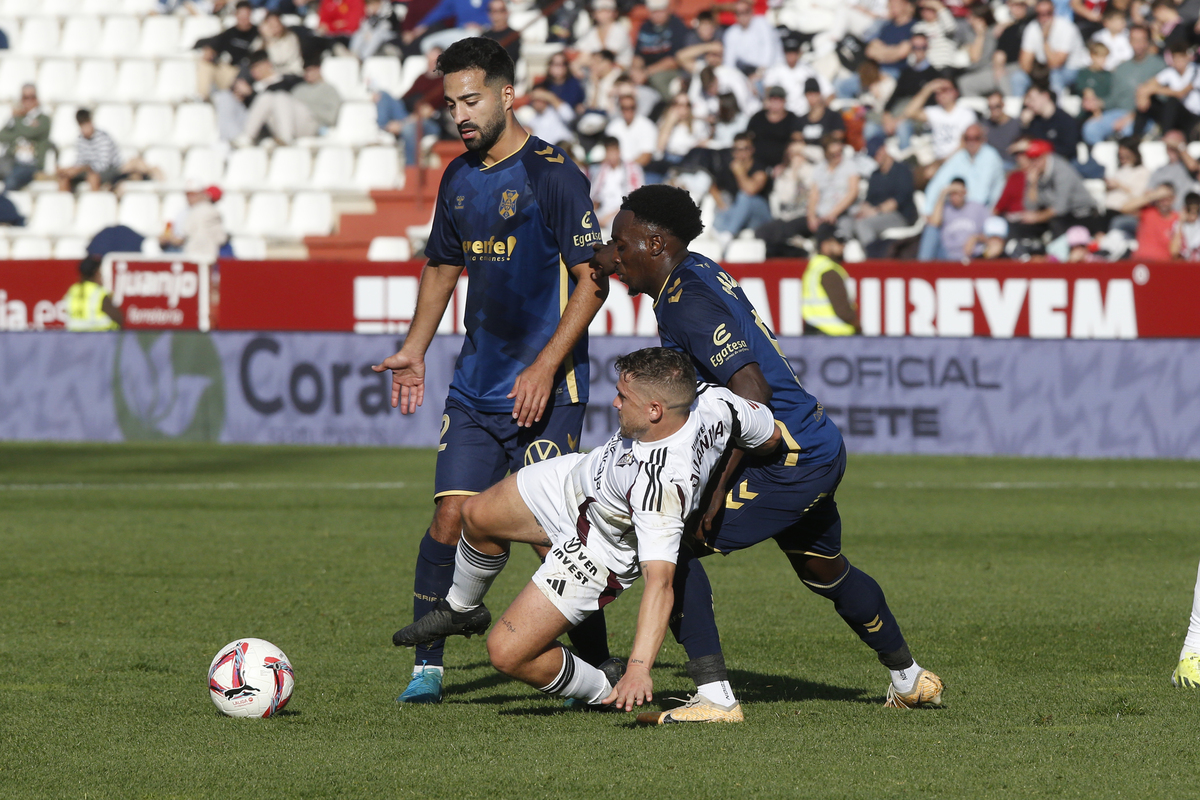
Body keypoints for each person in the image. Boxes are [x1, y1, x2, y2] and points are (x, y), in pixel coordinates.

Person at [591, 184, 945, 719]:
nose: (615, 256)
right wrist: (572, 245)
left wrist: (711, 493)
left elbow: (752, 391)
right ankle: (911, 679)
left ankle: (714, 698)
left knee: (673, 543)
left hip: (787, 455)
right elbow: (611, 255)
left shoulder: (688, 304)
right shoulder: (690, 271)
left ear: (656, 242)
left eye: (622, 245)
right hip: (814, 440)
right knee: (822, 566)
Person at [371, 37, 608, 705]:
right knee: (450, 519)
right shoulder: (457, 174)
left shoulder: (554, 174)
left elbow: (594, 282)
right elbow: (444, 266)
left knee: (550, 537)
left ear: (508, 94)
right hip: (476, 387)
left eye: (471, 99)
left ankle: (600, 665)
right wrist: (416, 347)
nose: (460, 115)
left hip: (548, 391)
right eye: (450, 104)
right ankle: (427, 668)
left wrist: (543, 366)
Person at [393, 348, 780, 716]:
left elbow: (661, 584)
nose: (614, 403)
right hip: (575, 479)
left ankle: (604, 689)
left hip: (597, 547)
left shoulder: (658, 485)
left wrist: (640, 667)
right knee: (474, 513)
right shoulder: (714, 399)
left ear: (655, 410)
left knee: (506, 654)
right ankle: (462, 610)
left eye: (622, 397)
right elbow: (771, 436)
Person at [57, 109, 161, 193]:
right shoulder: (80, 140)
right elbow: (80, 160)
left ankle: (96, 204)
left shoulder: (103, 138)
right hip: (89, 170)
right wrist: (71, 170)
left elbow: (103, 165)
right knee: (64, 178)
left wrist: (80, 169)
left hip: (110, 170)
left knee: (93, 177)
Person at [854, 136, 918, 249]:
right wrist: (863, 211)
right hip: (877, 215)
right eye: (873, 155)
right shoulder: (875, 175)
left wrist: (876, 211)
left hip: (900, 216)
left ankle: (874, 259)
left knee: (864, 225)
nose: (875, 158)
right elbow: (869, 200)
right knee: (850, 223)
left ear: (884, 149)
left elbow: (898, 201)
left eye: (876, 153)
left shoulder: (902, 170)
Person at [711, 132, 772, 246]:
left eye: (745, 149)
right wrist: (721, 204)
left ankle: (728, 233)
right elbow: (713, 186)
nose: (741, 153)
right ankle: (721, 232)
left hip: (760, 216)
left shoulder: (760, 167)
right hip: (740, 214)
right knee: (725, 204)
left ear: (752, 150)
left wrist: (739, 172)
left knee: (744, 197)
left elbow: (750, 190)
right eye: (737, 149)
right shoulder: (727, 167)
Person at [802, 225, 861, 334]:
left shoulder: (814, 267)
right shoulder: (829, 271)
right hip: (833, 338)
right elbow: (843, 311)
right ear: (825, 245)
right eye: (839, 242)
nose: (843, 246)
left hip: (814, 334)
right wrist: (858, 327)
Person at [0, 84, 50, 192]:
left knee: (11, 181)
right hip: (11, 160)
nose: (28, 101)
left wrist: (17, 120)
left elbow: (30, 133)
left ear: (37, 99)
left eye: (32, 97)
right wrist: (19, 124)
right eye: (25, 98)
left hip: (31, 164)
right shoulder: (17, 118)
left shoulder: (44, 119)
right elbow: (2, 136)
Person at [590, 136, 643, 237]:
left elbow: (634, 201)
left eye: (613, 152)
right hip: (603, 213)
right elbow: (595, 198)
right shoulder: (601, 171)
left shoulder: (632, 170)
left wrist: (609, 217)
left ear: (619, 151)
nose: (611, 156)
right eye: (609, 152)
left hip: (623, 214)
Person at [159, 184, 228, 261]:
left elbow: (182, 236)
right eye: (188, 194)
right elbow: (221, 238)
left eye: (193, 195)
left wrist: (169, 239)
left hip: (196, 255)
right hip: (207, 255)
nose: (189, 198)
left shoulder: (198, 210)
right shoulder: (213, 212)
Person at [928, 177, 989, 260]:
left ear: (965, 192)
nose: (954, 197)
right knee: (929, 231)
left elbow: (991, 236)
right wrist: (943, 193)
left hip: (974, 254)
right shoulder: (945, 208)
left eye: (957, 193)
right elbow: (934, 224)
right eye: (951, 193)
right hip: (947, 255)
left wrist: (976, 237)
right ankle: (921, 269)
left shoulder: (978, 208)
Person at [745, 87, 801, 171]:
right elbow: (747, 138)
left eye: (779, 100)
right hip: (758, 165)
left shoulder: (791, 118)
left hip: (783, 166)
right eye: (774, 99)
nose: (776, 103)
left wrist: (784, 164)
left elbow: (796, 141)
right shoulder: (758, 117)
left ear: (784, 102)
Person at [63, 255, 124, 332]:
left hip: (74, 337)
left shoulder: (73, 290)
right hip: (97, 337)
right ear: (96, 273)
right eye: (100, 272)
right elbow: (118, 319)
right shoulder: (98, 292)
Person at [1128, 181, 1180, 260]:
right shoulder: (1147, 212)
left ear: (1174, 199)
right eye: (1161, 198)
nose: (1164, 202)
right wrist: (1154, 195)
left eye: (1167, 198)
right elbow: (1125, 208)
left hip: (1163, 266)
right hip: (1141, 264)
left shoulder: (1178, 218)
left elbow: (1176, 251)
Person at [1175, 191, 1200, 259]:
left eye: (1196, 212)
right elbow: (1174, 251)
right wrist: (1181, 222)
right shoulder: (1177, 225)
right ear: (1185, 209)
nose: (1193, 216)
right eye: (1190, 211)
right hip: (1184, 265)